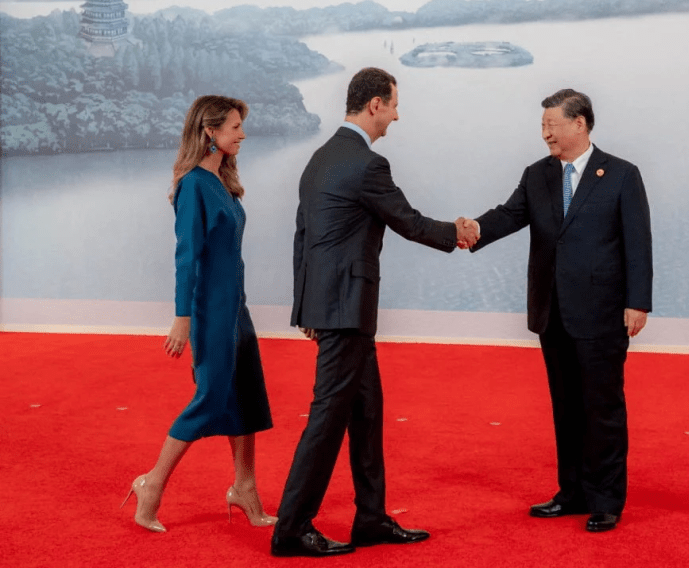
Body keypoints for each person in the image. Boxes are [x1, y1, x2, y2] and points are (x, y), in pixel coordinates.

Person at [270, 67, 480, 558]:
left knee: (367, 412)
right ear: (375, 105)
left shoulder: (319, 158)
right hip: (347, 308)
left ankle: (370, 518)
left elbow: (303, 237)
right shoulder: (367, 164)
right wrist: (458, 232)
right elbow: (409, 222)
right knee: (328, 417)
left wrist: (305, 307)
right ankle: (291, 528)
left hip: (334, 306)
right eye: (394, 105)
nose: (397, 116)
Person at [467, 88, 652, 533]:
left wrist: (638, 302)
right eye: (542, 126)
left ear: (579, 123)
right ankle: (572, 493)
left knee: (602, 408)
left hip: (602, 312)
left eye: (552, 124)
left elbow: (638, 242)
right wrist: (472, 230)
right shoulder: (537, 175)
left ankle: (606, 499)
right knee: (566, 407)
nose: (545, 133)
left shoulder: (622, 174)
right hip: (552, 312)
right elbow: (508, 215)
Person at [122, 96, 275, 532]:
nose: (242, 134)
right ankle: (151, 483)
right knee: (209, 398)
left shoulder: (220, 181)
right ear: (210, 131)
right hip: (210, 310)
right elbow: (186, 256)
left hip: (236, 308)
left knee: (246, 395)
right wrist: (182, 318)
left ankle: (245, 488)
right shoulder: (193, 185)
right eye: (234, 127)